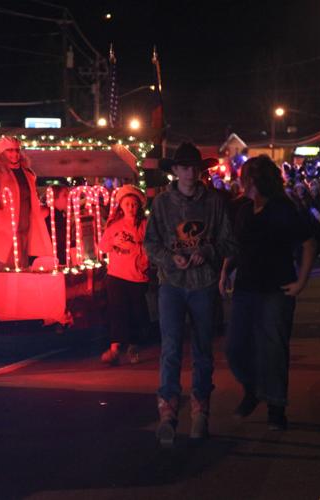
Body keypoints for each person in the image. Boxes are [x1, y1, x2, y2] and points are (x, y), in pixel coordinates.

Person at [144, 142, 236, 446]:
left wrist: (206, 251)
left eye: (195, 167)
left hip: (204, 283)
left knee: (202, 349)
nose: (190, 173)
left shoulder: (214, 202)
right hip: (171, 283)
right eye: (184, 167)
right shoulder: (161, 204)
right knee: (170, 348)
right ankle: (167, 411)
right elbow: (151, 244)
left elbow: (228, 242)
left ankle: (200, 411)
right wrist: (171, 258)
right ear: (175, 170)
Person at [220, 156, 316, 431]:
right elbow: (239, 246)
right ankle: (252, 388)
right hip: (246, 288)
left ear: (254, 179)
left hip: (276, 289)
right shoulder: (244, 210)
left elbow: (309, 243)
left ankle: (276, 407)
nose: (240, 179)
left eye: (244, 175)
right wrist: (226, 270)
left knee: (273, 348)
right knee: (235, 347)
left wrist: (301, 282)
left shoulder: (282, 209)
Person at [0, 136, 52, 269]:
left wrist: (38, 212)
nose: (15, 154)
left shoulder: (27, 173)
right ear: (1, 153)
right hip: (1, 235)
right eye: (9, 150)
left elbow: (29, 198)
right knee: (2, 274)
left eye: (17, 150)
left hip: (24, 231)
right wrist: (0, 225)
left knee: (20, 271)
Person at [98, 185, 150, 365]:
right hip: (116, 275)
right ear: (121, 206)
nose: (130, 207)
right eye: (127, 204)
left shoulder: (145, 225)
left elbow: (151, 249)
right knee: (117, 311)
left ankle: (133, 346)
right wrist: (114, 241)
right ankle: (114, 349)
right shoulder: (114, 225)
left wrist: (138, 251)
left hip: (136, 276)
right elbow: (102, 247)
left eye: (134, 204)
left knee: (136, 312)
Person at [44, 185, 73, 266]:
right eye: (64, 195)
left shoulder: (59, 215)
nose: (68, 199)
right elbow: (60, 241)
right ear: (55, 197)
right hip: (56, 260)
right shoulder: (53, 217)